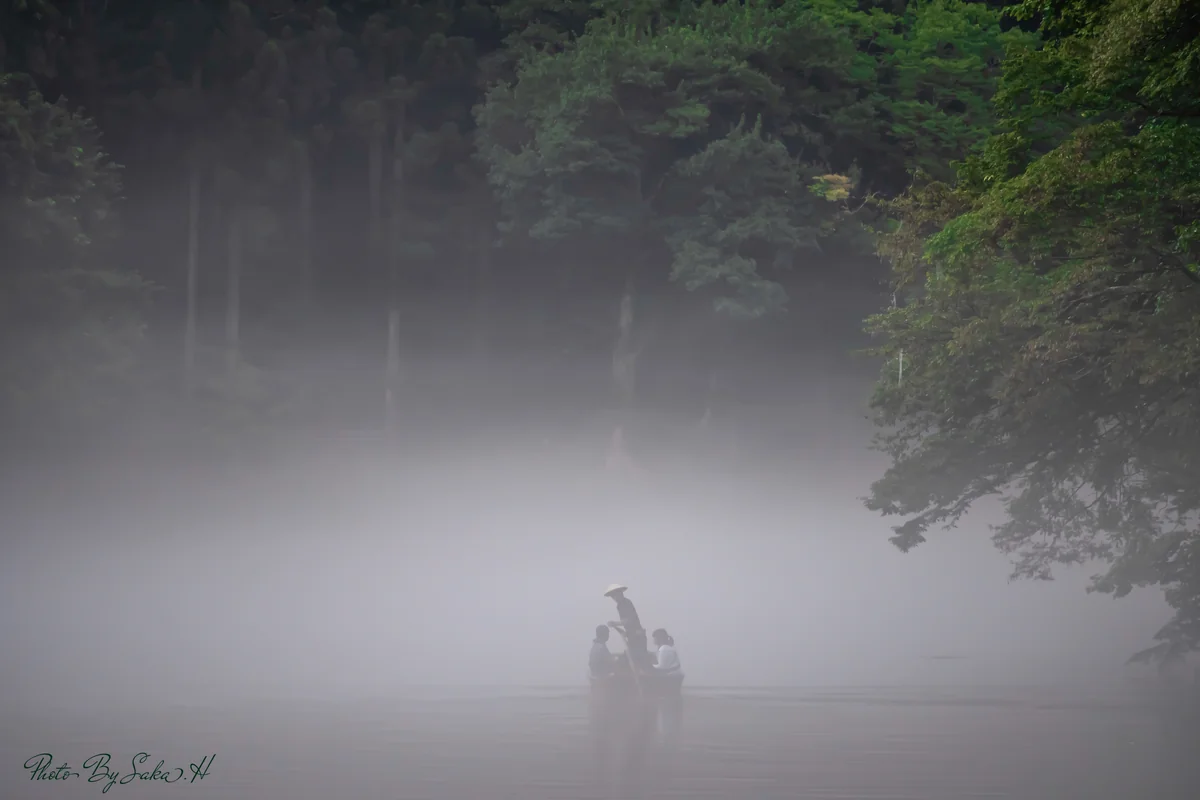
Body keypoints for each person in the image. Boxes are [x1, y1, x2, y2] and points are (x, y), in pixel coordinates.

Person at [603, 584, 652, 669]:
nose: (613, 598)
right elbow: (629, 623)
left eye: (614, 595)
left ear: (620, 593)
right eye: (612, 596)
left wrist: (614, 623)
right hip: (633, 636)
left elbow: (629, 621)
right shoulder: (621, 605)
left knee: (638, 660)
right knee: (633, 659)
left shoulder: (625, 603)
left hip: (637, 637)